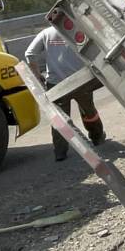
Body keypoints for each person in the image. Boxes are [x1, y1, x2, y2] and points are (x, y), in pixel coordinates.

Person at [25, 25, 105, 160]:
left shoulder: (46, 33)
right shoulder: (79, 29)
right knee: (89, 112)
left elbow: (30, 54)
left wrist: (37, 75)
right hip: (80, 80)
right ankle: (97, 138)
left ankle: (60, 152)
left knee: (59, 119)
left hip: (56, 83)